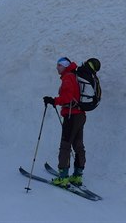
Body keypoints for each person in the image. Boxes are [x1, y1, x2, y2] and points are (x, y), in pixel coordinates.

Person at [43, 57, 86, 187]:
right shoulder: (75, 76)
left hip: (71, 116)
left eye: (59, 65)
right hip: (80, 115)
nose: (57, 68)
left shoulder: (68, 77)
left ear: (65, 66)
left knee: (65, 145)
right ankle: (77, 176)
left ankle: (63, 177)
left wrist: (54, 100)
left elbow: (67, 98)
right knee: (78, 145)